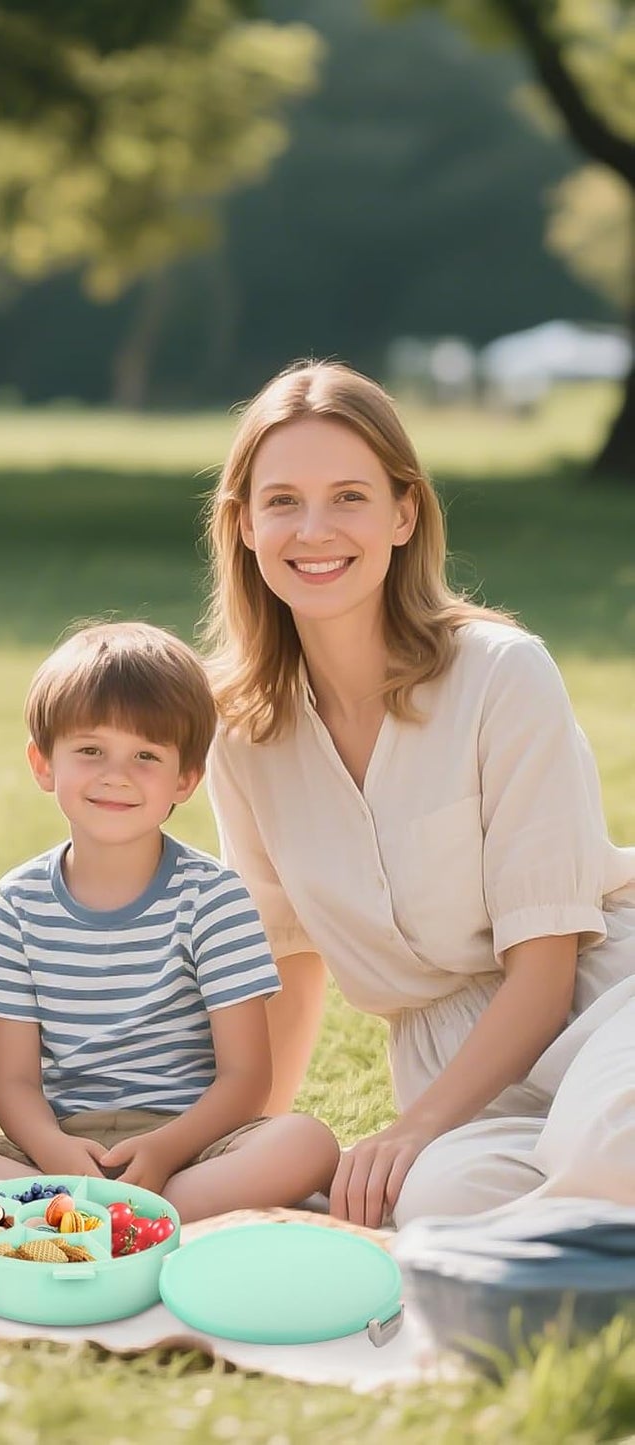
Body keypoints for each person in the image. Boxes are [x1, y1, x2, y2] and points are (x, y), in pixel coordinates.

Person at [202, 360, 635, 1229]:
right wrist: (250, 1153)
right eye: (281, 500)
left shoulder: (501, 675)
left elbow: (545, 970)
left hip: (602, 1005)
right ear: (244, 524)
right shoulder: (239, 730)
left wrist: (415, 1126)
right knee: (433, 1208)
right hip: (452, 1070)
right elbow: (286, 962)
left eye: (349, 497)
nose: (313, 529)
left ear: (404, 513)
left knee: (605, 1152)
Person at [0, 623, 339, 1222]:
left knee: (306, 1144)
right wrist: (54, 1151)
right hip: (58, 1149)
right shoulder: (16, 904)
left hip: (191, 1147)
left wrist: (170, 1148)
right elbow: (13, 1083)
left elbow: (247, 1077)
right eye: (90, 750)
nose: (116, 774)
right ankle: (131, 1217)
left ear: (186, 779)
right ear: (43, 764)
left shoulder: (214, 897)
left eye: (146, 755)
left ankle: (101, 1216)